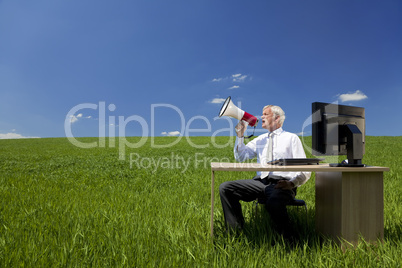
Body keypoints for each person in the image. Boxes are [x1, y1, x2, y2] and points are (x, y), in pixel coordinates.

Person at [219, 105, 311, 237]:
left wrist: (291, 184)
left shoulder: (291, 138)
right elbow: (241, 156)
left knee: (274, 201)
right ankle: (234, 235)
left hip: (282, 184)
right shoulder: (261, 139)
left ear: (276, 118)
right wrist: (240, 136)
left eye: (265, 114)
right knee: (226, 188)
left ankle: (290, 240)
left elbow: (305, 168)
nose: (261, 116)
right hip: (261, 182)